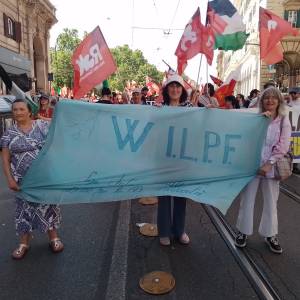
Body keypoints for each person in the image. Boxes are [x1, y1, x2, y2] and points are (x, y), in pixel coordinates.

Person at [1, 99, 63, 259]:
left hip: (43, 178)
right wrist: (10, 179)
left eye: (22, 109)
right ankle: (23, 243)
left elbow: (60, 125)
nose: (18, 112)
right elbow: (5, 159)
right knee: (23, 210)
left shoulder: (42, 126)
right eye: (15, 110)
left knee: (48, 206)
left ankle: (54, 238)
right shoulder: (9, 133)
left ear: (29, 111)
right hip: (22, 181)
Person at [235, 87, 291, 254]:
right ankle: (242, 232)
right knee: (247, 199)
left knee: (271, 202)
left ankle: (270, 234)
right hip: (253, 166)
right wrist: (260, 121)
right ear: (262, 100)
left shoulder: (283, 120)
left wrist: (269, 164)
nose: (270, 100)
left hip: (271, 169)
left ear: (279, 101)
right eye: (267, 97)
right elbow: (241, 131)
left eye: (274, 98)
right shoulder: (254, 116)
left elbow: (283, 146)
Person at [157, 74, 192, 246]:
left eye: (178, 86)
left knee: (180, 197)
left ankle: (179, 230)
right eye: (171, 86)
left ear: (182, 90)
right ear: (167, 90)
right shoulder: (159, 108)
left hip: (183, 159)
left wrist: (207, 111)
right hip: (163, 159)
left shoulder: (191, 108)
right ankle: (164, 231)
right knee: (164, 196)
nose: (175, 89)